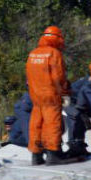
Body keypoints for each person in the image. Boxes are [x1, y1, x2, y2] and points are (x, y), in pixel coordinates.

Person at [26, 25, 70, 165]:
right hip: (50, 94)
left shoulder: (33, 53)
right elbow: (59, 77)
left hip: (35, 95)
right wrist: (64, 93)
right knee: (52, 123)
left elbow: (28, 77)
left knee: (36, 123)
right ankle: (52, 155)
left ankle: (36, 155)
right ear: (57, 38)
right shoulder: (54, 53)